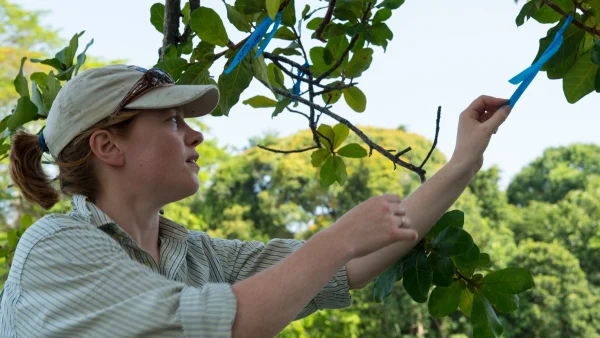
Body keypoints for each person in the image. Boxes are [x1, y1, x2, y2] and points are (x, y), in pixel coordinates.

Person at [0, 64, 510, 338]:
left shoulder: (197, 256)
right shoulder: (55, 250)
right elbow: (223, 324)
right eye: (173, 121)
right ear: (107, 146)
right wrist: (337, 240)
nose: (194, 136)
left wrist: (463, 160)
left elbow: (350, 265)